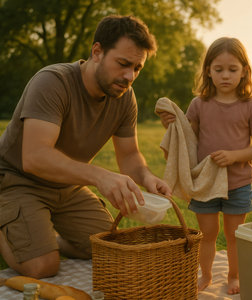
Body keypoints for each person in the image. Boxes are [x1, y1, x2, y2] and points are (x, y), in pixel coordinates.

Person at [0, 15, 171, 279]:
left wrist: (147, 177)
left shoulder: (124, 97)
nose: (129, 76)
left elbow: (130, 156)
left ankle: (44, 239)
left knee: (110, 248)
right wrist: (99, 176)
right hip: (17, 181)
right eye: (123, 64)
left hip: (68, 187)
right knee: (42, 267)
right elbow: (34, 157)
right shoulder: (53, 82)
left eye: (137, 68)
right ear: (97, 52)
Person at [159, 37, 252, 294]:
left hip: (238, 183)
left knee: (233, 236)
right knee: (207, 234)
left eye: (232, 69)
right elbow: (188, 140)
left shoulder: (251, 106)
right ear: (208, 70)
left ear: (244, 71)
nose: (225, 75)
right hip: (205, 182)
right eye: (219, 69)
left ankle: (233, 277)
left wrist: (234, 156)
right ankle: (205, 275)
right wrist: (172, 126)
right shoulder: (199, 104)